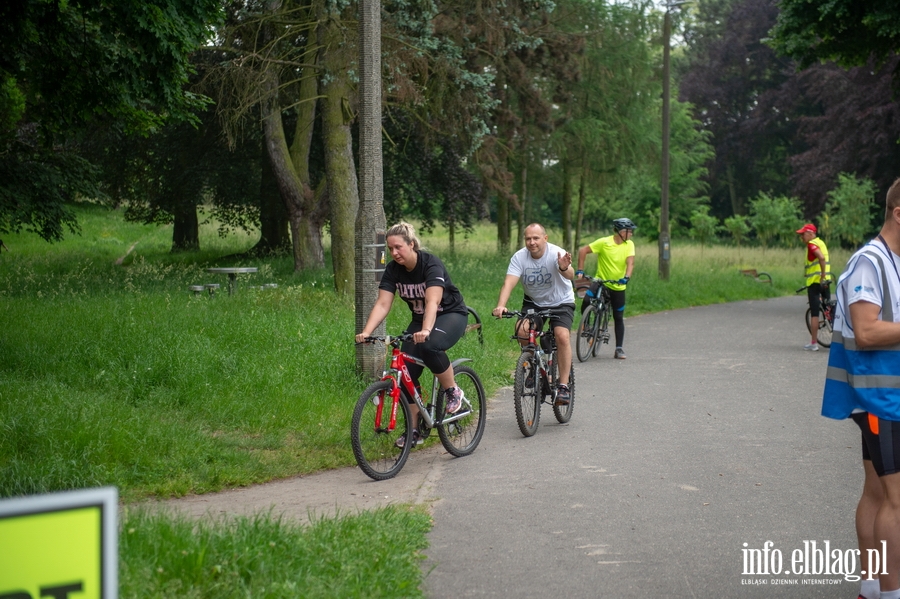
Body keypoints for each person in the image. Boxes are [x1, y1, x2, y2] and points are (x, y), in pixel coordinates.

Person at [823, 178, 900, 599]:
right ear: (898, 213)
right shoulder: (870, 262)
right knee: (896, 500)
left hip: (887, 394)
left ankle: (871, 587)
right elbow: (868, 332)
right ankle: (891, 592)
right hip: (879, 397)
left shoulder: (895, 261)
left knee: (876, 490)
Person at [356, 222, 469, 447]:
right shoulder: (393, 270)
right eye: (390, 249)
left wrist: (426, 330)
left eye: (398, 247)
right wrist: (367, 332)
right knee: (404, 372)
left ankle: (452, 390)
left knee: (430, 346)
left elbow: (432, 301)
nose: (394, 253)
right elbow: (382, 303)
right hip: (420, 320)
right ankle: (415, 430)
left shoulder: (430, 264)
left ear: (412, 244)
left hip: (449, 314)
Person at [492, 223, 576, 405]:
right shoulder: (519, 257)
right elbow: (509, 283)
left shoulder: (556, 253)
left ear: (545, 238)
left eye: (536, 238)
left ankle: (563, 386)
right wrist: (501, 305)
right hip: (534, 302)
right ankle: (534, 364)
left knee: (562, 336)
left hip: (561, 301)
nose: (532, 242)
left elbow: (571, 275)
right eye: (528, 238)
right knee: (521, 330)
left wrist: (563, 267)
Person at [575, 218, 636, 360]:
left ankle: (619, 349)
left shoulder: (630, 245)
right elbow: (583, 250)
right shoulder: (604, 242)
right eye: (629, 231)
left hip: (618, 286)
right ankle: (586, 326)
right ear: (621, 232)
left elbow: (630, 263)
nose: (631, 234)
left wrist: (626, 277)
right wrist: (580, 270)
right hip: (600, 281)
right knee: (586, 299)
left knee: (618, 317)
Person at [796, 223, 831, 351]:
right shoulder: (821, 243)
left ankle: (814, 343)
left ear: (811, 233)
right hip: (826, 282)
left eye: (803, 234)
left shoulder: (812, 245)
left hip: (815, 283)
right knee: (829, 310)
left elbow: (821, 258)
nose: (802, 237)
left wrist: (821, 275)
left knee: (815, 314)